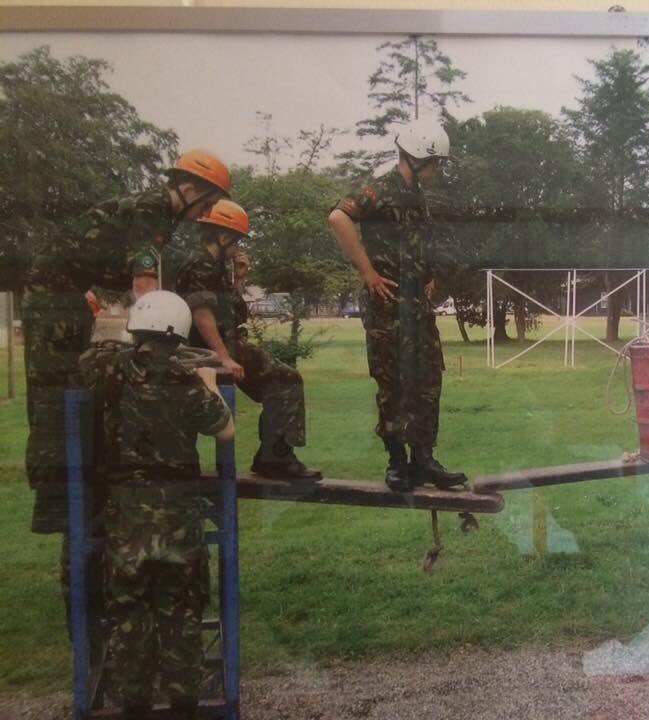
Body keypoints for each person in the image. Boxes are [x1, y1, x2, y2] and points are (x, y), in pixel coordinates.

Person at [22, 150, 231, 632]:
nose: (204, 216)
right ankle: (52, 477)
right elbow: (145, 290)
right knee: (68, 398)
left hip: (64, 296)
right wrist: (159, 343)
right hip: (55, 304)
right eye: (208, 204)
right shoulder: (153, 212)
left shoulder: (153, 210)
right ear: (194, 190)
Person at [79, 291, 234, 719]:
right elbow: (224, 430)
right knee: (181, 610)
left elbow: (95, 352)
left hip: (126, 515)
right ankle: (184, 701)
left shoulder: (109, 371)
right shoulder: (185, 385)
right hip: (177, 515)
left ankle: (135, 702)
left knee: (129, 613)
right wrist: (208, 382)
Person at [328, 118, 466, 492]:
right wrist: (368, 272)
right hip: (387, 304)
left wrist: (432, 277)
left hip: (417, 305)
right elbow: (338, 216)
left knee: (429, 380)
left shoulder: (416, 194)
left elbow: (419, 245)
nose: (438, 169)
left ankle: (423, 459)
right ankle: (397, 463)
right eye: (435, 161)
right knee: (392, 382)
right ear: (417, 156)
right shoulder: (380, 189)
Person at [174, 199, 319, 478]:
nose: (239, 248)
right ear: (224, 235)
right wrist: (224, 358)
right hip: (206, 351)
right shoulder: (200, 264)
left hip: (225, 345)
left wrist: (239, 280)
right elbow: (202, 314)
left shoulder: (214, 265)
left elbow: (232, 312)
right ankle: (275, 459)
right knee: (284, 379)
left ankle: (274, 456)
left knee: (283, 380)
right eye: (237, 241)